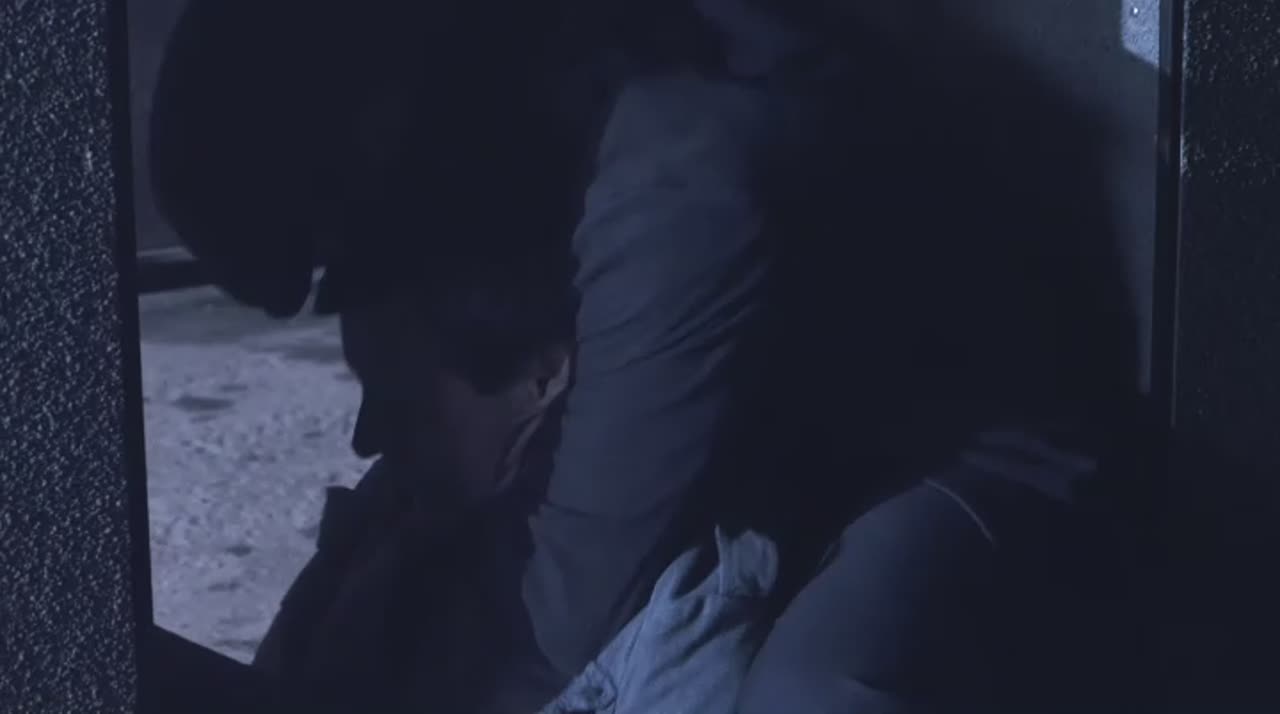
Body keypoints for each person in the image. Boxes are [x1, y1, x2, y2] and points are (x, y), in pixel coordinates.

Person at [148, 0, 1146, 712]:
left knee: (822, 687)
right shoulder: (526, 113)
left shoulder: (674, 161)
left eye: (348, 232)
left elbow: (566, 623)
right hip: (772, 437)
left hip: (958, 445)